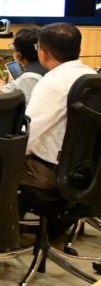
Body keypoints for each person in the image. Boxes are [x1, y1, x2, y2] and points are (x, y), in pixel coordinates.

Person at [23, 22, 95, 191]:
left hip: (50, 173)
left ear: (43, 53)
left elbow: (29, 134)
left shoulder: (53, 82)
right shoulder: (91, 75)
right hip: (86, 170)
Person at [0, 28, 45, 101]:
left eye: (13, 47)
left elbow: (26, 106)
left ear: (18, 55)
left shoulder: (30, 77)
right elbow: (14, 85)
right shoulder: (45, 67)